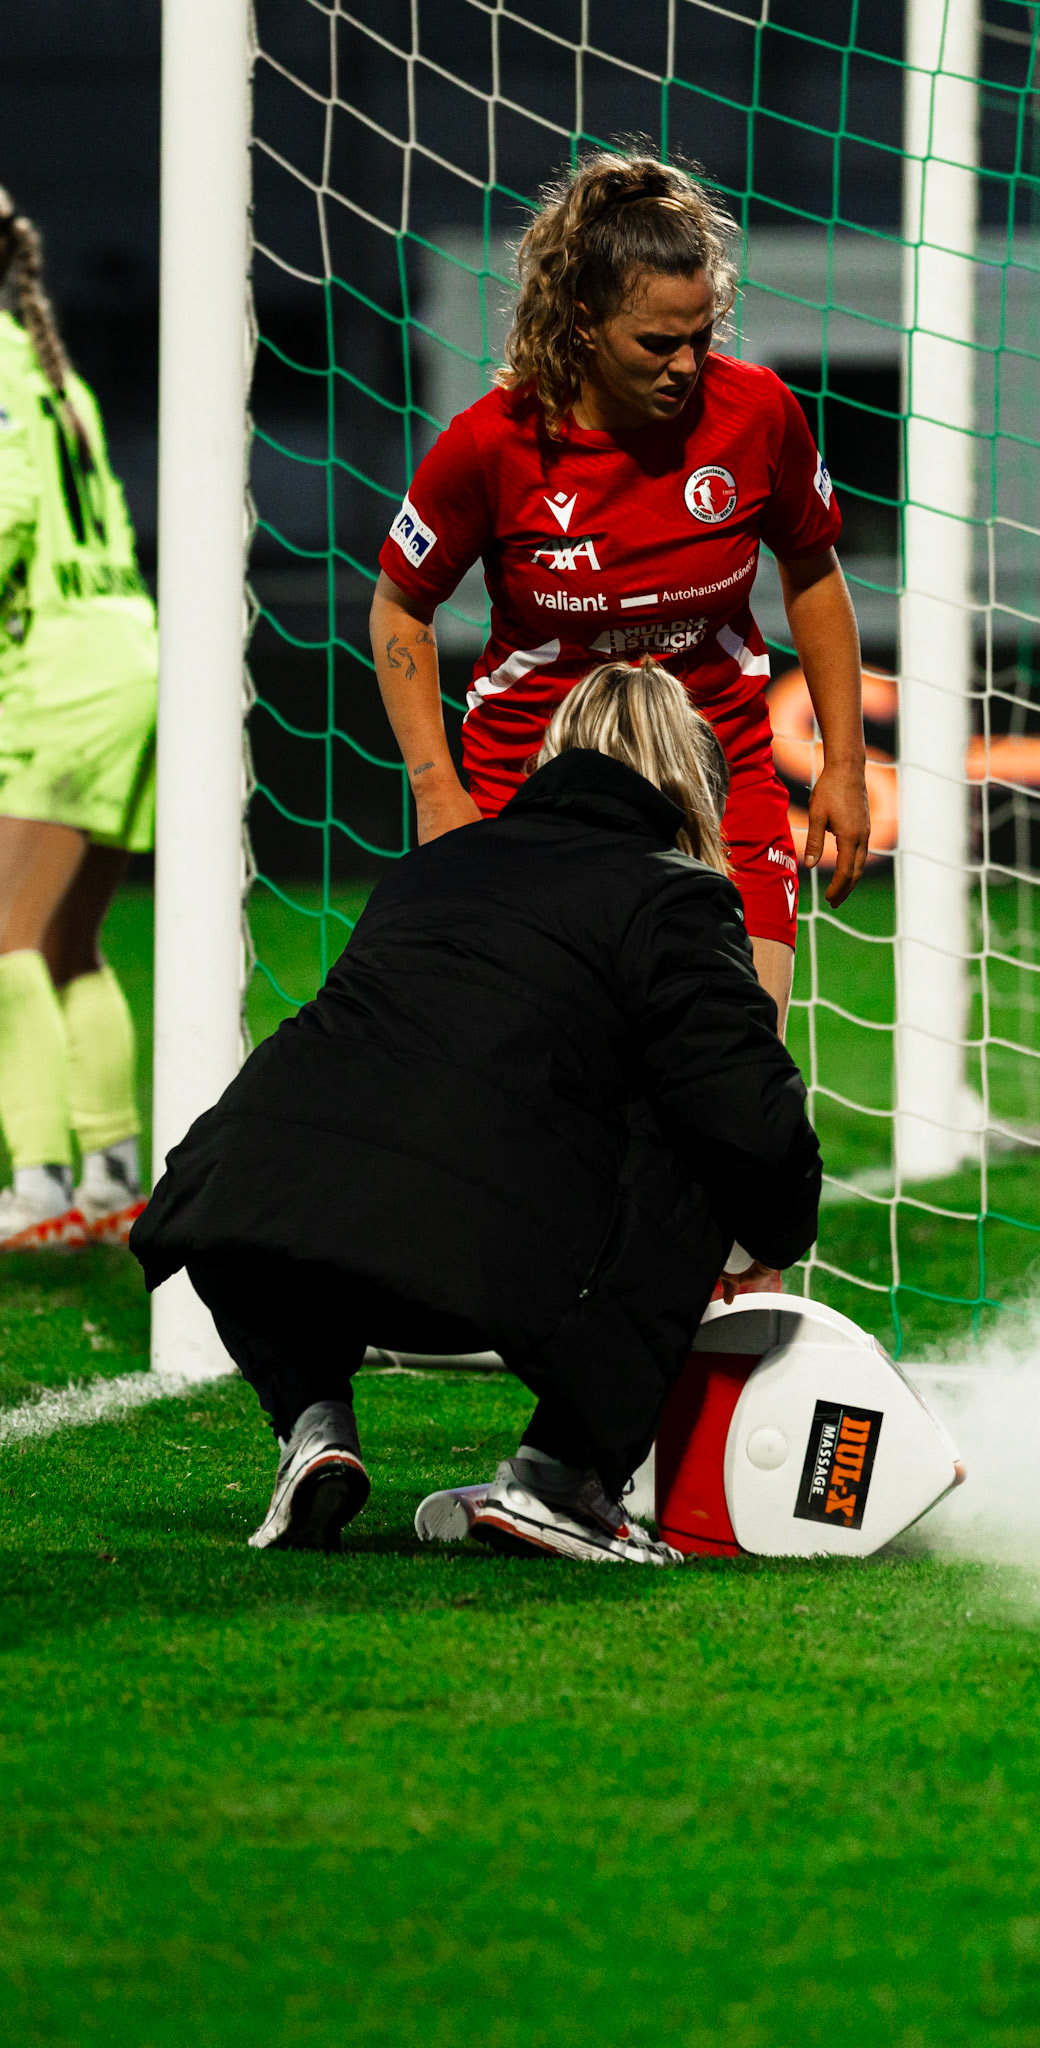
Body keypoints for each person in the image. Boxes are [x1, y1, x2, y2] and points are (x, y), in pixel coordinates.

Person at [130, 659, 822, 1563]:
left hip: (250, 1226)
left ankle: (314, 1426)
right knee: (703, 1144)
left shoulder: (436, 866)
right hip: (480, 1273)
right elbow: (752, 1124)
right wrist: (769, 1240)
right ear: (693, 788)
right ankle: (561, 1480)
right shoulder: (677, 894)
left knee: (281, 1126)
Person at [370, 147, 870, 1034]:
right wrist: (436, 790)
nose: (687, 365)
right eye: (658, 342)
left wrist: (843, 763)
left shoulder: (758, 415)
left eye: (703, 336)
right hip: (528, 783)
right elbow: (400, 607)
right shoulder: (490, 446)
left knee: (735, 1064)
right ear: (584, 320)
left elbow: (814, 573)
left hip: (719, 776)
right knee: (544, 1078)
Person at [0, 191, 152, 1252]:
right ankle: (107, 1172)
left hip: (66, 663)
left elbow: (7, 511)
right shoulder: (48, 366)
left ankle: (37, 1182)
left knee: (4, 933)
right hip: (125, 647)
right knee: (64, 937)